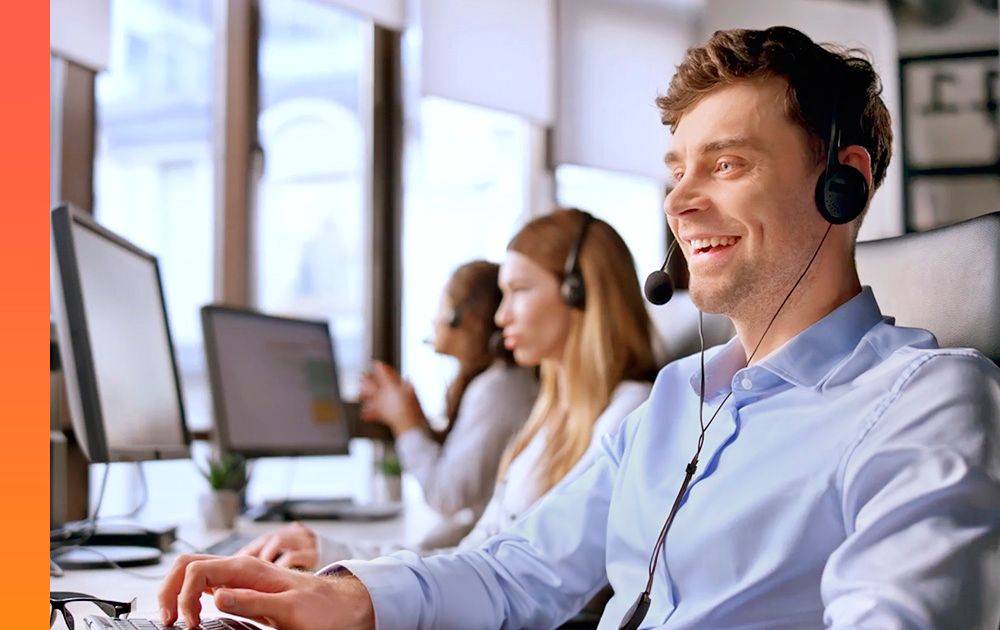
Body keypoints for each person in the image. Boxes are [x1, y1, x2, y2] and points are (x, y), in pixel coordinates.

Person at [159, 26, 1000, 630]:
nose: (679, 201)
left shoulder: (925, 401)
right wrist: (348, 595)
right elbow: (522, 569)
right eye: (676, 171)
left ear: (841, 183)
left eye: (727, 163)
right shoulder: (675, 399)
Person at [232, 209, 658, 572]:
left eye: (520, 291)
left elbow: (516, 577)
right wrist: (336, 557)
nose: (502, 315)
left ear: (579, 293)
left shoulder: (627, 416)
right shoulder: (551, 421)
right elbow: (478, 555)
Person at [238, 260, 539, 570]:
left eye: (441, 305)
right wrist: (414, 420)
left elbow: (448, 495)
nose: (434, 319)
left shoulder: (498, 390)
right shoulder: (493, 385)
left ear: (457, 317)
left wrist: (405, 423)